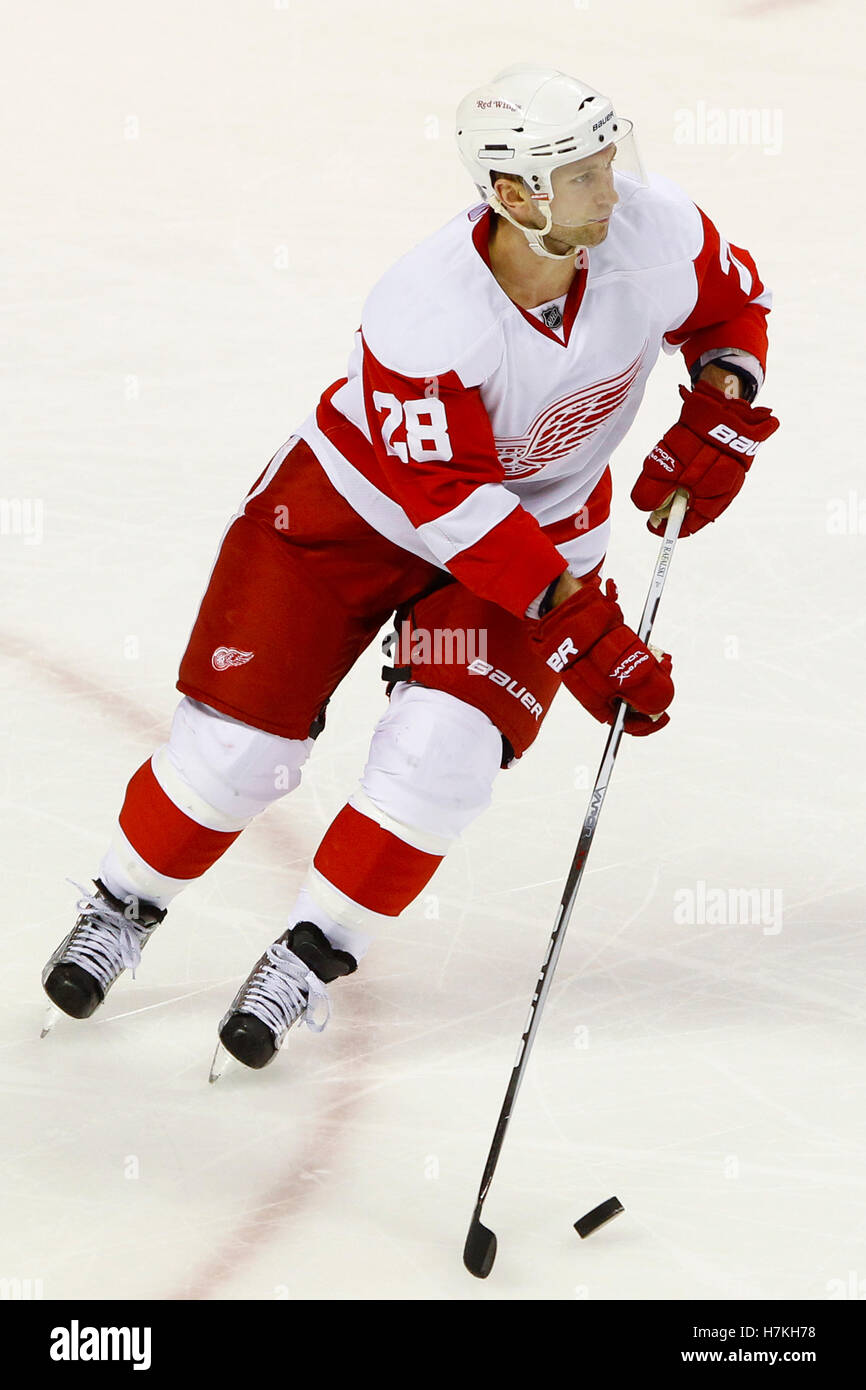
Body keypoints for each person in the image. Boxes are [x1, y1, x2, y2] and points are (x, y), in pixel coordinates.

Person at [41, 64, 779, 1075]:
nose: (613, 188)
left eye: (610, 159)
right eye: (582, 173)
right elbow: (453, 505)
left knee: (443, 760)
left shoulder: (646, 230)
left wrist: (722, 404)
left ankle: (310, 951)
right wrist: (580, 625)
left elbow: (731, 307)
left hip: (539, 529)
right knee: (231, 759)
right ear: (514, 195)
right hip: (347, 516)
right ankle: (123, 901)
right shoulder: (425, 308)